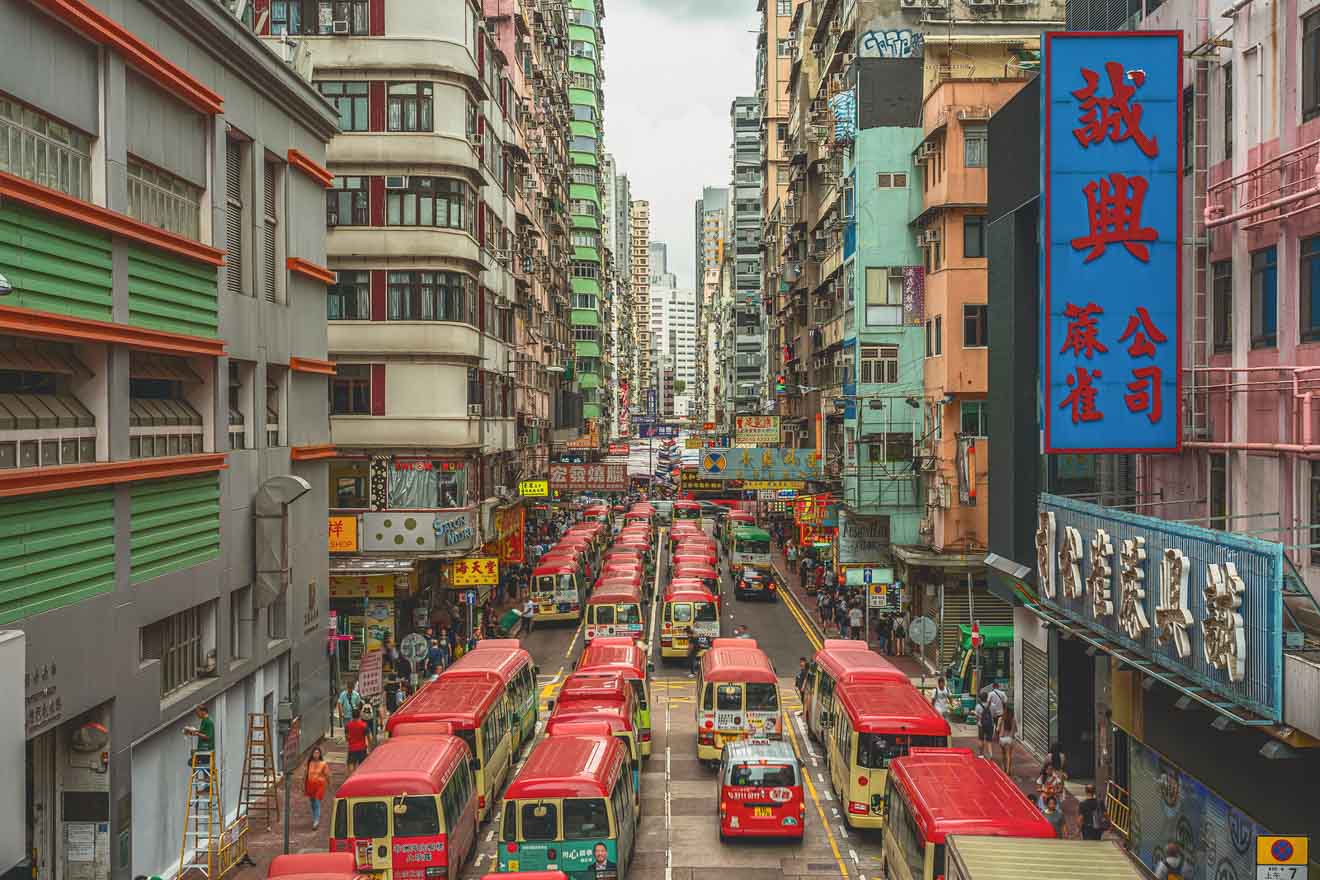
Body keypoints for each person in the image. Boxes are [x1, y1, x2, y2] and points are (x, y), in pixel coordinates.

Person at [182, 706, 215, 790]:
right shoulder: (204, 721)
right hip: (202, 748)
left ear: (203, 711)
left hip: (206, 748)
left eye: (198, 713)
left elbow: (208, 736)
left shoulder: (208, 722)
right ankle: (207, 784)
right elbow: (201, 732)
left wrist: (196, 733)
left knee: (199, 764)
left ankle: (208, 783)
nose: (197, 715)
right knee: (204, 766)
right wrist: (192, 731)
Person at [303, 746, 331, 830]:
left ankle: (316, 821)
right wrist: (303, 785)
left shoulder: (323, 764)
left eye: (318, 753)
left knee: (317, 802)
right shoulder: (309, 763)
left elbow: (327, 775)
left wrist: (329, 783)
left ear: (320, 754)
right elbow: (305, 774)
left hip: (320, 785)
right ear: (312, 754)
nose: (316, 754)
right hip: (310, 785)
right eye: (315, 753)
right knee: (312, 803)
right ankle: (315, 817)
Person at [997, 706, 1017, 774]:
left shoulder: (1001, 719)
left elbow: (997, 729)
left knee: (1003, 754)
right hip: (1009, 738)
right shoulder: (1013, 719)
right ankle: (1008, 770)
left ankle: (1003, 768)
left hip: (1002, 738)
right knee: (1009, 755)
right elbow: (1015, 730)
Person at [976, 694, 996, 759]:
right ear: (987, 698)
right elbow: (994, 715)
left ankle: (981, 754)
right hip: (990, 724)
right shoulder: (992, 705)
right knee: (989, 740)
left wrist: (978, 722)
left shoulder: (978, 706)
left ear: (980, 699)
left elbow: (977, 716)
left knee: (981, 739)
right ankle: (990, 754)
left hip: (981, 725)